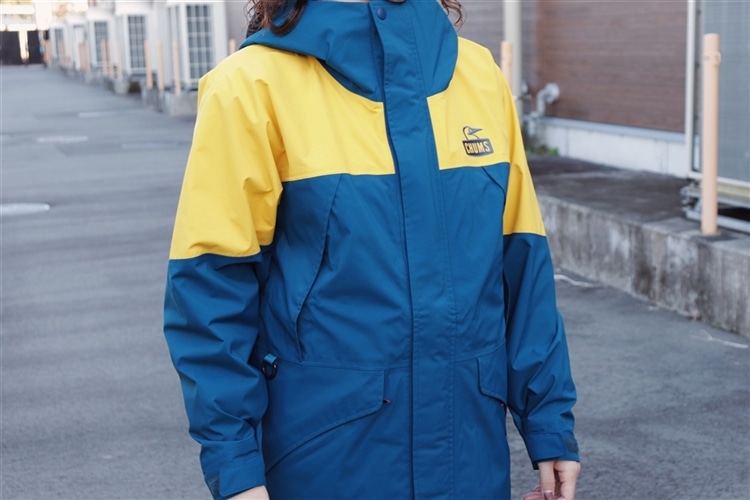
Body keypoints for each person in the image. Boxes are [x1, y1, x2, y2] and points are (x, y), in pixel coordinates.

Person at [163, 0, 581, 499]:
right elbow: (210, 290)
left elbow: (523, 270)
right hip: (324, 465)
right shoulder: (251, 86)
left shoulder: (479, 76)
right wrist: (235, 468)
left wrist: (547, 420)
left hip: (470, 462)